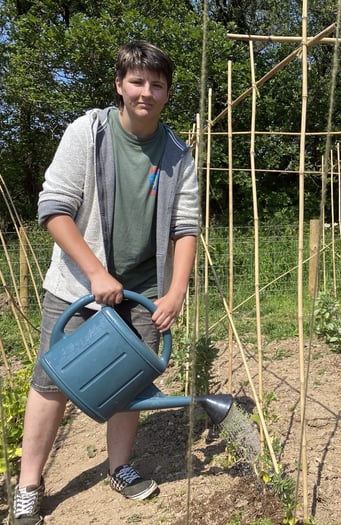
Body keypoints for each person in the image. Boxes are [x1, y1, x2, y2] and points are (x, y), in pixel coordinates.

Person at [11, 41, 200, 525]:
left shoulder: (179, 154)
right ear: (120, 85)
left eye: (157, 85)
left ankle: (119, 467)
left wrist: (175, 291)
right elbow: (53, 209)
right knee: (52, 380)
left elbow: (184, 227)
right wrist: (96, 273)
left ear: (167, 93)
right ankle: (29, 482)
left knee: (130, 380)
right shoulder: (88, 133)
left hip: (143, 287)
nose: (147, 92)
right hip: (79, 282)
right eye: (137, 82)